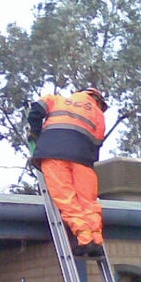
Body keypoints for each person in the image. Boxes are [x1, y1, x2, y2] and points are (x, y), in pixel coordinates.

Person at [27, 88, 108, 256]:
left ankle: (84, 238)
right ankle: (96, 240)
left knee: (66, 198)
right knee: (88, 200)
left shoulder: (57, 100)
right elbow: (97, 142)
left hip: (53, 153)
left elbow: (35, 110)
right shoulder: (98, 113)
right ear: (98, 101)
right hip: (83, 158)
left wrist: (36, 132)